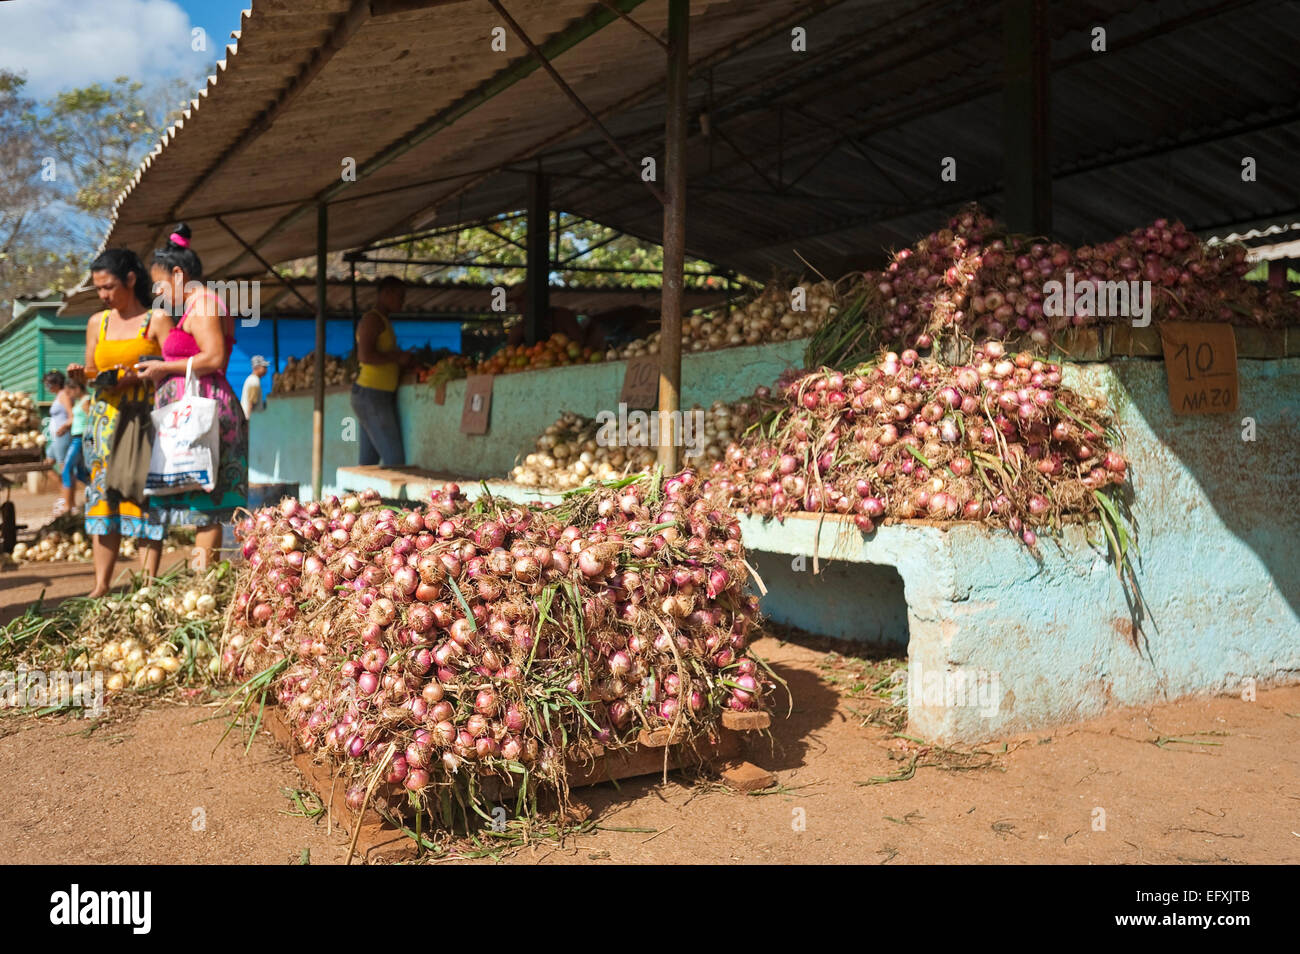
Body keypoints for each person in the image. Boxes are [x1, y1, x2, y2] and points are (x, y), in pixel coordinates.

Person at [134, 222, 249, 570]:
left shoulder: (204, 305)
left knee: (208, 506)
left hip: (207, 412)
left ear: (178, 274)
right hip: (194, 411)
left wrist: (162, 368)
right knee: (200, 502)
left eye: (159, 282)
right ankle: (198, 581)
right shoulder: (194, 307)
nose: (157, 290)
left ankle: (203, 583)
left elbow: (214, 358)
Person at [67, 248, 173, 597]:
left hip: (142, 421)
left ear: (130, 279)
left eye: (109, 287)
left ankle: (147, 586)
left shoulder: (156, 320)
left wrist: (140, 376)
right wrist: (81, 376)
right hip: (102, 425)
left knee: (141, 497)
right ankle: (101, 585)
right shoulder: (98, 322)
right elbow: (91, 374)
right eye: (98, 289)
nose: (103, 295)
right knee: (102, 499)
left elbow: (173, 369)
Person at [351, 276, 410, 467]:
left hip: (375, 395)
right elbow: (365, 356)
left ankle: (358, 498)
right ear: (387, 293)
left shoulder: (382, 320)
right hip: (372, 395)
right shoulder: (372, 319)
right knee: (395, 460)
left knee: (368, 463)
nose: (403, 301)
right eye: (400, 296)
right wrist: (397, 357)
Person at [60, 378, 91, 516]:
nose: (69, 395)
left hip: (81, 439)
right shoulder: (80, 401)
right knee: (81, 473)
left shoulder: (86, 401)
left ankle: (67, 506)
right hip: (76, 437)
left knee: (67, 468)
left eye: (70, 392)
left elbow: (90, 419)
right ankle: (92, 493)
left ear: (77, 388)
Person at [44, 370, 73, 514]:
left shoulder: (64, 395)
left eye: (48, 383)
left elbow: (71, 415)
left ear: (56, 383)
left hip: (63, 436)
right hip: (56, 439)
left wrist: (65, 426)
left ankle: (67, 501)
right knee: (46, 466)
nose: (47, 386)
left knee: (64, 469)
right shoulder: (58, 397)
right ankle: (64, 492)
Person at [240, 354, 269, 420]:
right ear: (257, 367)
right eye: (264, 367)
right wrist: (250, 421)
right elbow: (251, 402)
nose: (266, 370)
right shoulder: (254, 381)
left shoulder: (251, 379)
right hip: (251, 419)